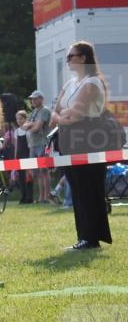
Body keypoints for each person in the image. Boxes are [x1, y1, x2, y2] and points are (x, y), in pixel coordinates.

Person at [51, 40, 114, 250]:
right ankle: (84, 236)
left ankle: (92, 237)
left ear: (83, 58)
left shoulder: (92, 82)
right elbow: (56, 111)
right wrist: (62, 116)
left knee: (88, 188)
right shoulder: (71, 84)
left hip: (87, 138)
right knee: (76, 188)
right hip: (68, 138)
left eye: (71, 56)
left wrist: (63, 115)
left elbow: (75, 114)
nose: (67, 60)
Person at [25, 90, 53, 203]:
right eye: (32, 99)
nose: (32, 101)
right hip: (33, 144)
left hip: (43, 143)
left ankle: (46, 196)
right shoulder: (34, 112)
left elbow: (37, 127)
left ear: (41, 99)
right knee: (37, 173)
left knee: (44, 171)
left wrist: (31, 127)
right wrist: (32, 125)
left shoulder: (45, 110)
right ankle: (41, 197)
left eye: (35, 98)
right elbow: (24, 126)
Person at [13, 111, 33, 204]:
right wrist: (15, 157)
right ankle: (23, 196)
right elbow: (16, 146)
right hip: (20, 156)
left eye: (21, 118)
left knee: (28, 176)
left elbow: (29, 144)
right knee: (21, 177)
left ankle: (29, 197)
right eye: (17, 119)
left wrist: (30, 157)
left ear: (25, 119)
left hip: (27, 154)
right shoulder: (16, 131)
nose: (19, 121)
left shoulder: (28, 130)